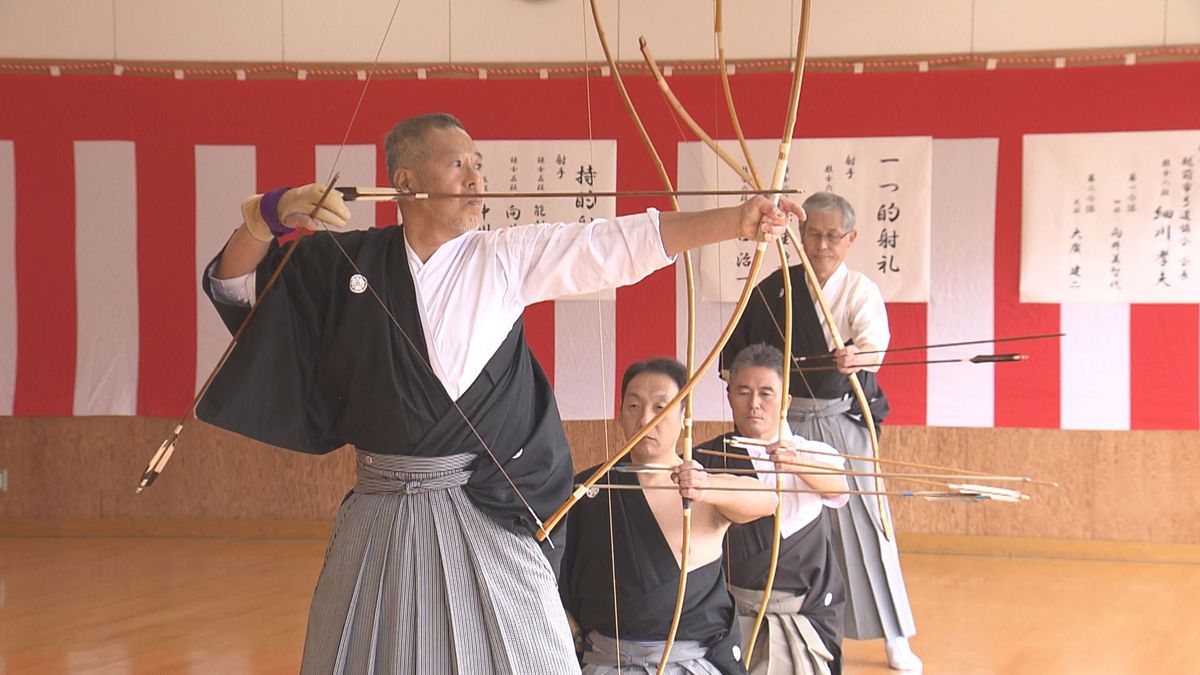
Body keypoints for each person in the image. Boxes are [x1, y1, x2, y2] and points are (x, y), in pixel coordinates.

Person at [196, 112, 792, 674]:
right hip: (380, 512)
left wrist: (735, 220)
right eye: (459, 165)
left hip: (484, 509)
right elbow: (236, 284)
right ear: (404, 181)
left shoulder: (504, 258)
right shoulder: (342, 262)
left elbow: (615, 245)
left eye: (479, 164)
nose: (478, 177)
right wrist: (267, 215)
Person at [721, 192, 921, 671]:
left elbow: (873, 346)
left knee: (865, 527)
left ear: (850, 239)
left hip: (837, 419)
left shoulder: (859, 291)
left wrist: (858, 357)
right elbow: (742, 358)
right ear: (800, 236)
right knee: (790, 529)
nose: (823, 245)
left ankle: (893, 634)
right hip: (784, 424)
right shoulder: (776, 289)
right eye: (814, 234)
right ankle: (795, 624)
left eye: (833, 236)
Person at [559, 358, 778, 674]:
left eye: (661, 408)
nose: (645, 419)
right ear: (620, 413)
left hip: (686, 664)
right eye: (634, 406)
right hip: (608, 662)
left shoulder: (702, 487)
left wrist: (706, 487)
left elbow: (767, 500)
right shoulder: (588, 487)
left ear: (684, 416)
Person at [698, 343, 850, 675]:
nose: (754, 404)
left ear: (787, 400)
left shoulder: (815, 453)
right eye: (743, 392)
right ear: (729, 397)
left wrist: (797, 462)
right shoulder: (707, 459)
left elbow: (839, 487)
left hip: (803, 618)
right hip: (731, 616)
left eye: (766, 393)